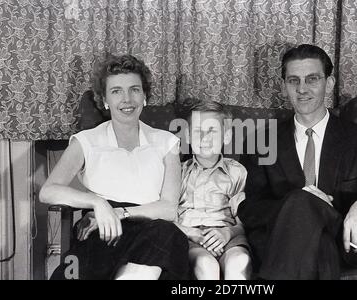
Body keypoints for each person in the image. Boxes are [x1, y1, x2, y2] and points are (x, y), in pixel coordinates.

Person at [238, 44, 357, 279]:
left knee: (319, 236)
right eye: (293, 81)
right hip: (282, 243)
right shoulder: (262, 140)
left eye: (312, 79)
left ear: (329, 83)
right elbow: (249, 210)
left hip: (341, 241)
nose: (302, 89)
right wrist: (301, 202)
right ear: (283, 86)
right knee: (316, 238)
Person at [39, 54, 189, 280]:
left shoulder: (167, 142)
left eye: (135, 89)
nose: (127, 99)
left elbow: (168, 209)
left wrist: (121, 213)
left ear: (145, 96)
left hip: (152, 229)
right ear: (105, 100)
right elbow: (48, 191)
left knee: (167, 234)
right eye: (116, 91)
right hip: (103, 230)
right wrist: (97, 203)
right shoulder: (86, 141)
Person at [174, 100, 252, 280]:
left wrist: (227, 233)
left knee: (240, 261)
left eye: (212, 131)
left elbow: (244, 220)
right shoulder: (178, 171)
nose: (204, 138)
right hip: (190, 236)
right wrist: (191, 234)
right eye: (197, 131)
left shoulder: (237, 171)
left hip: (228, 235)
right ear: (187, 135)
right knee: (206, 265)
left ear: (226, 136)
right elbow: (169, 217)